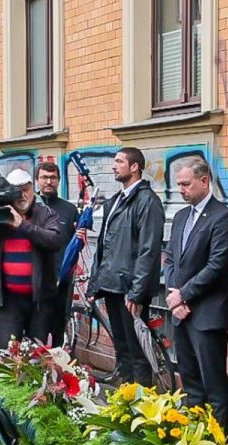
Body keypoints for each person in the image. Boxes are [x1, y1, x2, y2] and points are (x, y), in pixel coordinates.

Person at [163, 157, 228, 431]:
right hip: (180, 313)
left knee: (213, 382)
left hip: (207, 315)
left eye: (186, 184)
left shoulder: (222, 217)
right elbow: (170, 259)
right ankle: (193, 437)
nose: (180, 190)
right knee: (191, 381)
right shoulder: (181, 216)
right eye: (178, 185)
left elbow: (217, 265)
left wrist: (184, 295)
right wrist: (175, 299)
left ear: (204, 181)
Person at [89, 147, 163, 384]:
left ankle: (141, 406)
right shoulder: (116, 201)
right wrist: (95, 284)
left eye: (120, 161)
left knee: (137, 350)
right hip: (112, 285)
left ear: (135, 167)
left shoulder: (147, 201)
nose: (114, 166)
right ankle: (125, 401)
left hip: (130, 288)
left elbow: (148, 250)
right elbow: (104, 245)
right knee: (122, 348)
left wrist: (138, 292)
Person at [0, 170, 67, 349]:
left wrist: (22, 225)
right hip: (7, 301)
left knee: (39, 356)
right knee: (8, 354)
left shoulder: (45, 213)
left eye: (26, 189)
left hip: (39, 300)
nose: (22, 195)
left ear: (33, 190)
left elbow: (54, 241)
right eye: (17, 191)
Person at [35, 161, 80, 346]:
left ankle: (57, 372)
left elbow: (76, 242)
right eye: (44, 177)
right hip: (35, 281)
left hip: (61, 281)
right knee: (36, 333)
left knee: (58, 331)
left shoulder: (69, 210)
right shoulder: (30, 208)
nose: (48, 182)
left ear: (59, 180)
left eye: (53, 178)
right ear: (37, 180)